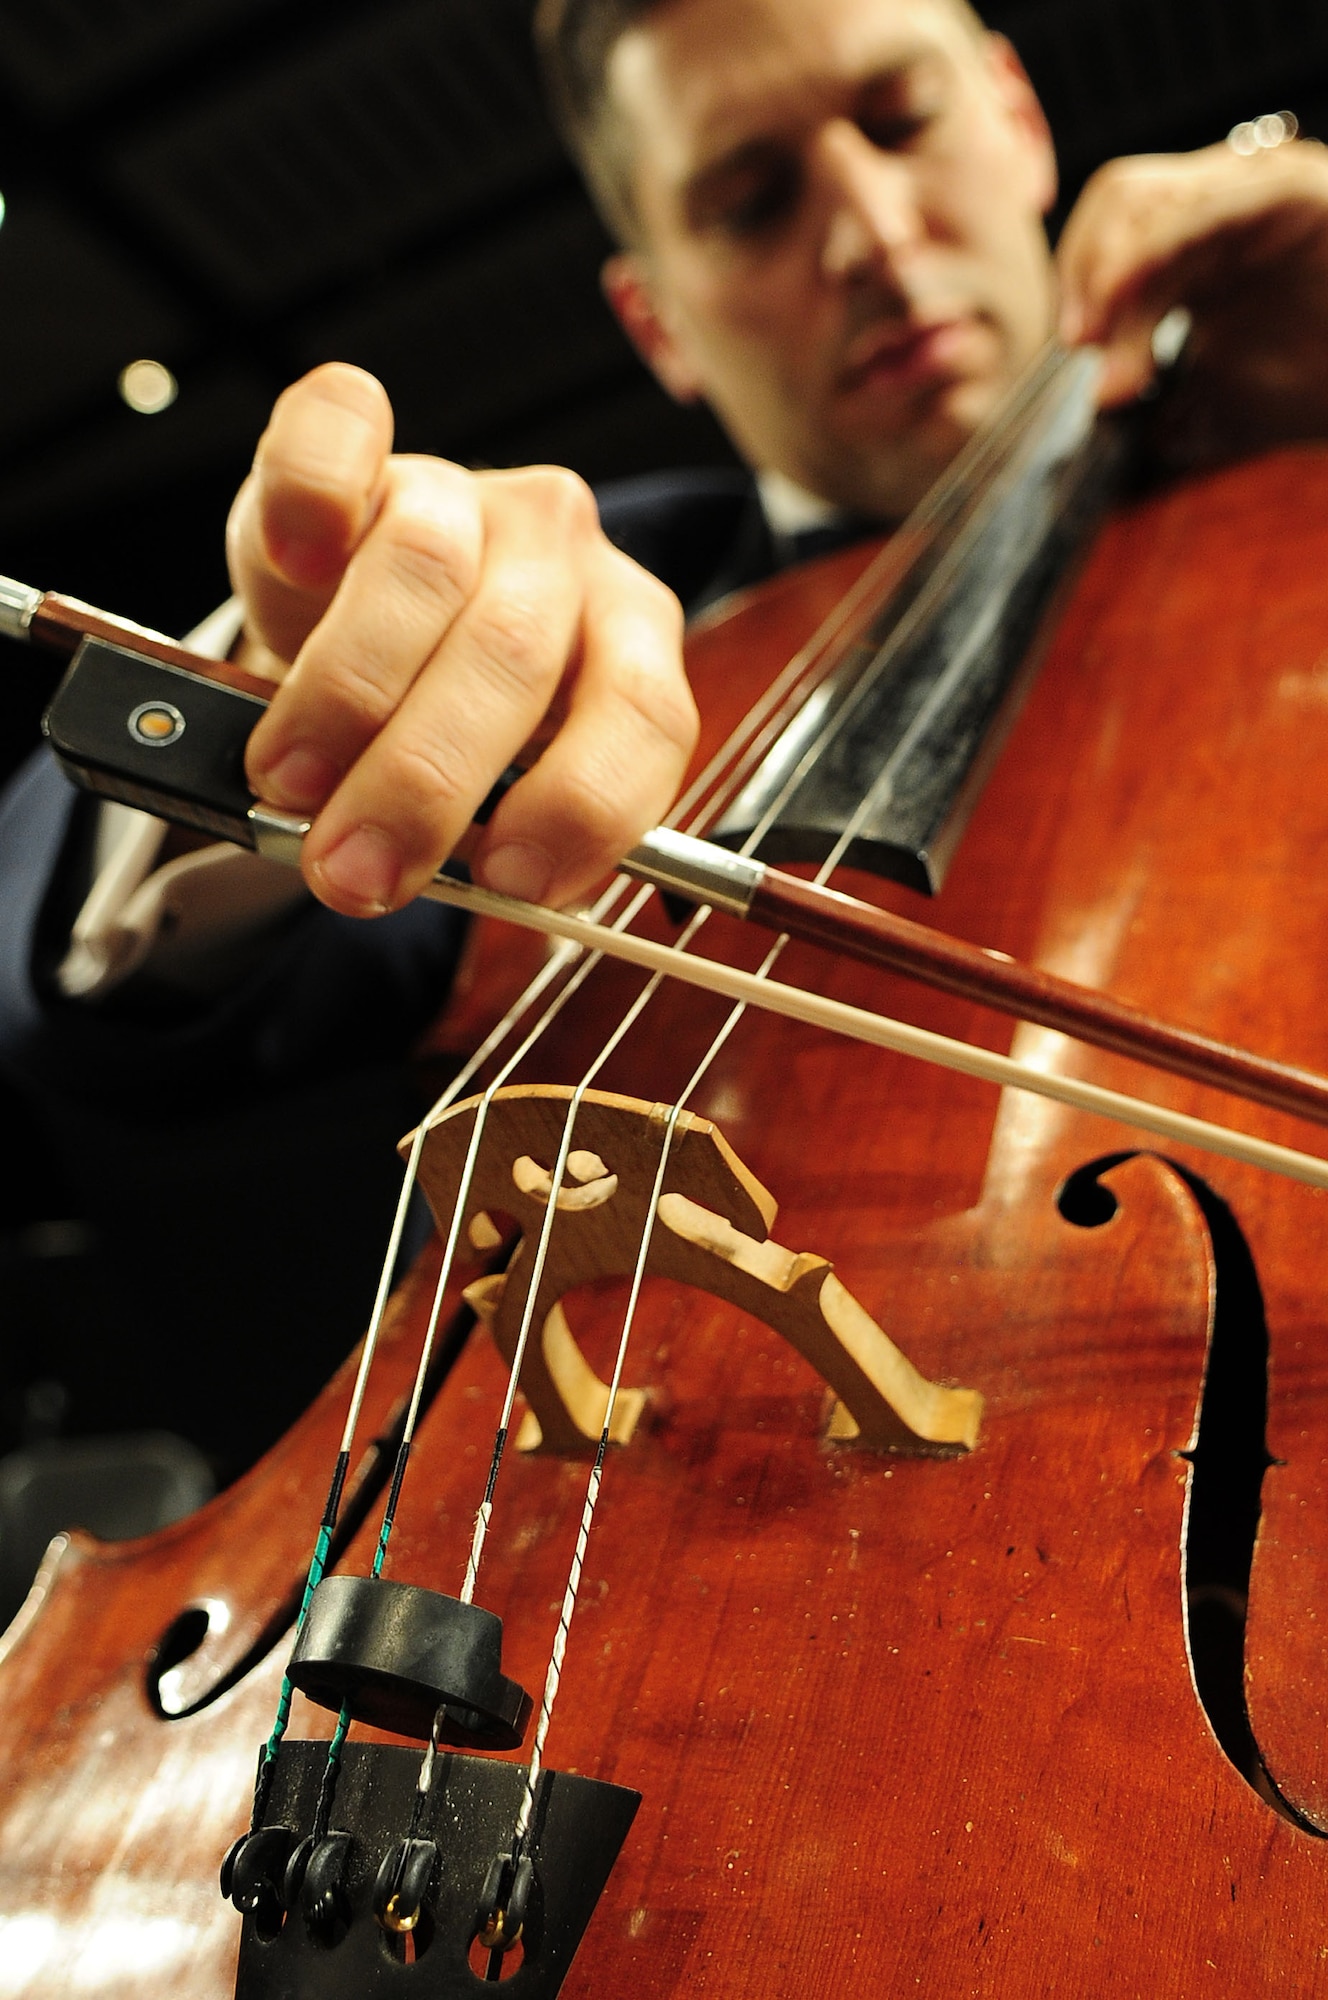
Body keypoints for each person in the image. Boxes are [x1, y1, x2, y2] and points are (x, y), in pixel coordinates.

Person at [3, 0, 1328, 1478]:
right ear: (659, 324)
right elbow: (82, 997)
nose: (874, 238)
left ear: (1018, 116)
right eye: (753, 203)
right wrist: (301, 692)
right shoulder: (627, 608)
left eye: (900, 122)